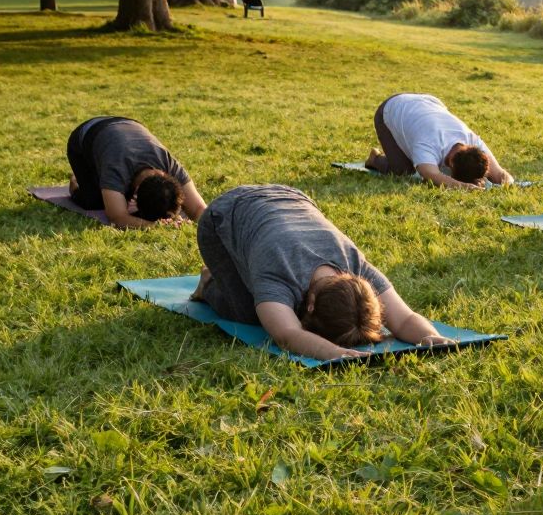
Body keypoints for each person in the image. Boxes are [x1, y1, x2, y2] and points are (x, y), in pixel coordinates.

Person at [190, 184, 452, 361]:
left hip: (291, 196)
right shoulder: (279, 274)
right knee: (251, 313)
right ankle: (209, 282)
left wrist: (431, 336)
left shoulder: (358, 270)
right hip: (222, 214)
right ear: (311, 305)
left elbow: (404, 320)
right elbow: (287, 335)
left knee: (270, 308)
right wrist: (334, 352)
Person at [66, 117, 207, 229]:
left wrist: (203, 224)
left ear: (166, 175)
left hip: (128, 124)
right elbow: (117, 217)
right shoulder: (116, 169)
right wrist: (157, 226)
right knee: (95, 202)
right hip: (85, 136)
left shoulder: (169, 164)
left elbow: (199, 208)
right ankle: (75, 182)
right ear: (135, 194)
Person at [364, 93, 510, 189]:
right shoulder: (428, 144)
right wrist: (464, 186)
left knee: (417, 158)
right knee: (403, 171)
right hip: (390, 108)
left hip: (429, 102)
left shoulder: (472, 140)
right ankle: (375, 158)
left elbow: (500, 175)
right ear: (451, 163)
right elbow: (431, 175)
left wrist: (508, 185)